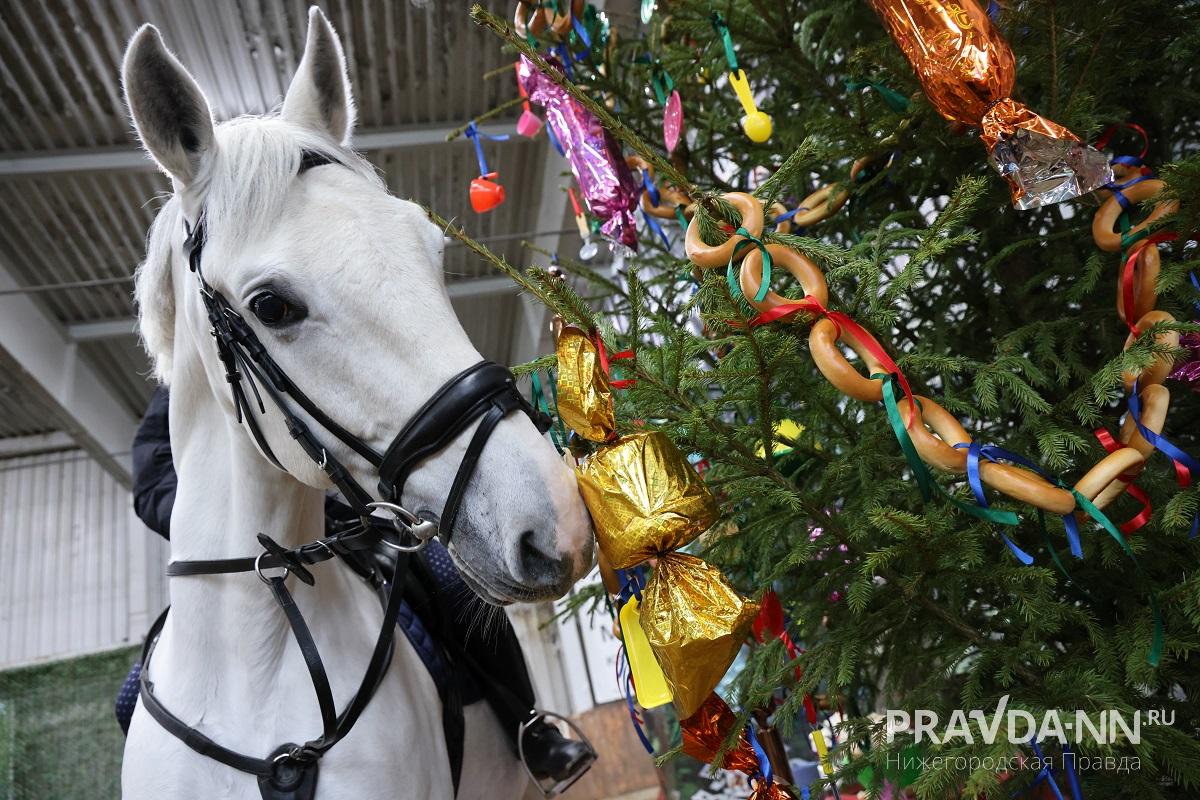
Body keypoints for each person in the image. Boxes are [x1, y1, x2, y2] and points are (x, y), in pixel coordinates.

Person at [119, 387, 593, 786]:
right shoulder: (186, 389)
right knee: (129, 700)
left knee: (450, 582)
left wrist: (341, 508)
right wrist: (219, 527)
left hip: (344, 533)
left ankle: (530, 727)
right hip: (238, 566)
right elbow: (152, 480)